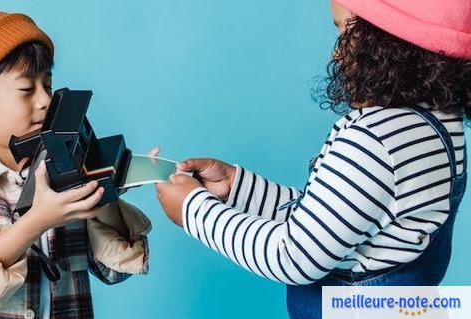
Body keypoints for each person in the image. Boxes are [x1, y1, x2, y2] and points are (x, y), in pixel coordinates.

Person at [155, 0, 471, 317]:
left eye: (345, 34)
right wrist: (238, 188)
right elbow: (331, 220)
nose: (337, 53)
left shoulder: (375, 140)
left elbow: (294, 257)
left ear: (387, 44)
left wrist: (193, 210)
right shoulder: (438, 123)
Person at [0, 12, 154, 318]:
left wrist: (102, 189)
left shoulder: (60, 168)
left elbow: (114, 270)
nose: (45, 100)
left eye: (48, 86)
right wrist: (38, 220)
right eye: (27, 90)